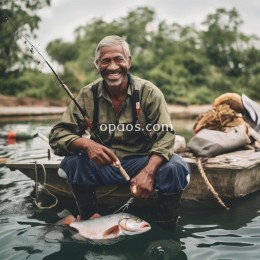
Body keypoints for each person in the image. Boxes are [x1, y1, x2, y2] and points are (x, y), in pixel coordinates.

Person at [49, 35, 190, 230]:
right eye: (105, 61)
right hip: (103, 165)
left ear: (129, 62)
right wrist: (86, 144)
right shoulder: (87, 95)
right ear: (97, 64)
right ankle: (89, 219)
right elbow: (57, 135)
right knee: (73, 162)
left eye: (118, 59)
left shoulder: (149, 92)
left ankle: (166, 229)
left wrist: (148, 172)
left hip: (141, 161)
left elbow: (165, 136)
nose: (113, 66)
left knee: (176, 167)